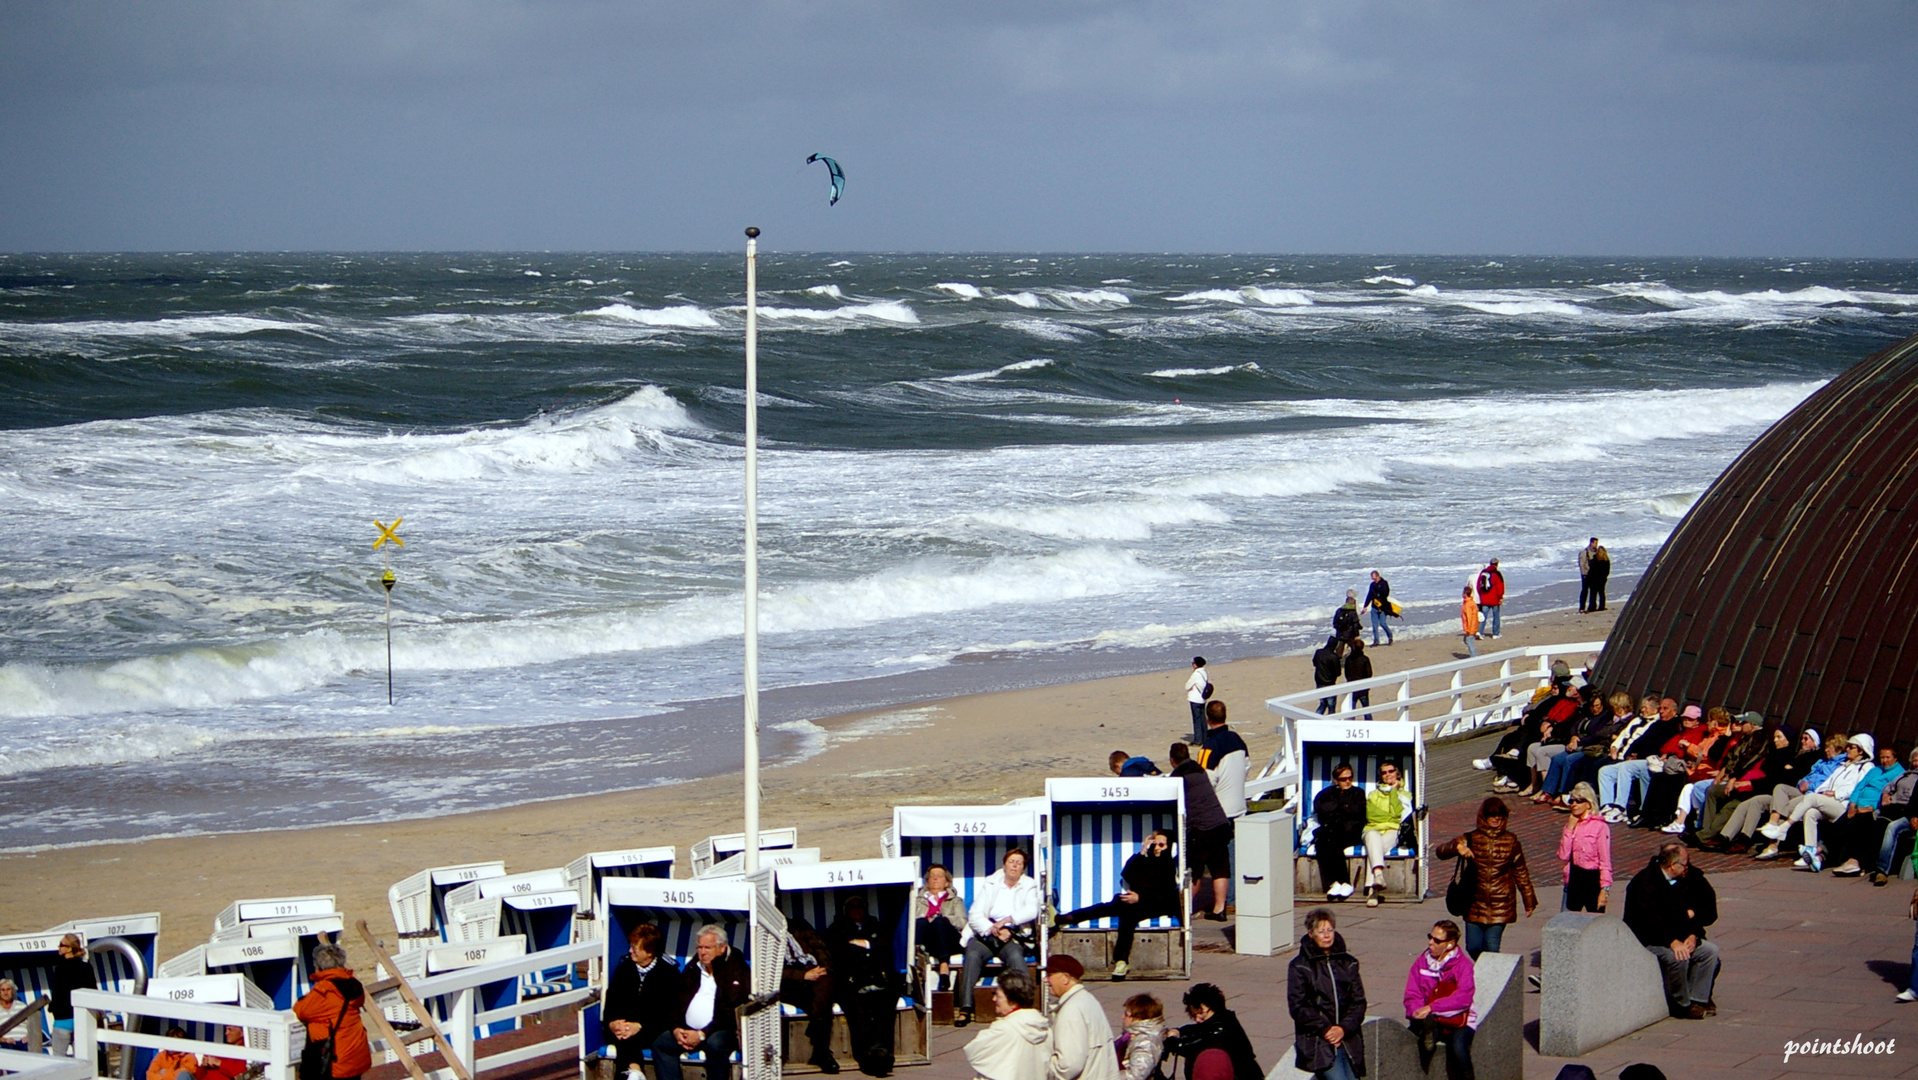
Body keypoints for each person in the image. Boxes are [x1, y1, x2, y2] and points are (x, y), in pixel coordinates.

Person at [1052, 832, 1180, 980]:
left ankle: (1121, 959)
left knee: (1128, 915)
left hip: (1154, 903)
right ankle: (1068, 917)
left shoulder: (1168, 865)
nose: (1157, 848)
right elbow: (1127, 874)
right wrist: (1143, 851)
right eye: (1154, 844)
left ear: (1169, 846)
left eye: (1161, 844)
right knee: (1104, 907)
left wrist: (1140, 898)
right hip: (1133, 901)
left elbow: (1166, 894)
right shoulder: (1146, 860)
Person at [1622, 843, 1719, 1019]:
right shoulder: (1644, 883)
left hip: (1678, 937)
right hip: (1650, 940)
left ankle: (1698, 999)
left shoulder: (1685, 881)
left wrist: (1693, 935)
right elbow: (1650, 921)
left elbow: (1690, 915)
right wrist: (1672, 942)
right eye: (1684, 864)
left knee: (1710, 952)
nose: (1687, 869)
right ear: (1673, 865)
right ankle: (1682, 1004)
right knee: (1677, 959)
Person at [1760, 732, 1875, 872]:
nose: (1848, 750)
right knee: (1811, 812)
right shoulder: (1843, 765)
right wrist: (1823, 791)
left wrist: (1836, 793)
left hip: (1842, 806)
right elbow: (1826, 783)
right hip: (1827, 801)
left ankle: (1783, 828)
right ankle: (1811, 851)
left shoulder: (1866, 767)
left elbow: (1858, 788)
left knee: (1812, 797)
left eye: (1851, 747)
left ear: (1861, 750)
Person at [1438, 798, 1537, 958]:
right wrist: (1457, 847)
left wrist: (1529, 900)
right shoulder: (1471, 838)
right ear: (1484, 816)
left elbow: (1521, 872)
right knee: (1473, 946)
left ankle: (1491, 978)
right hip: (1473, 902)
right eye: (1492, 814)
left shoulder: (1511, 840)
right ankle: (1486, 972)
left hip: (1501, 904)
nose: (1496, 818)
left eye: (1500, 814)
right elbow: (1440, 851)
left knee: (1492, 946)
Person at [955, 850, 1040, 1027]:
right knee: (972, 955)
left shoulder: (1028, 884)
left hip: (1011, 932)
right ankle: (966, 1007)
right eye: (1011, 861)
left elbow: (1032, 910)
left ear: (1023, 867)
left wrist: (1007, 922)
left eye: (1019, 862)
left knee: (1016, 955)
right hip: (986, 933)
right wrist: (993, 928)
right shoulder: (991, 882)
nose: (1014, 865)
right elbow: (975, 914)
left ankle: (1025, 1004)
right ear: (1004, 864)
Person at [656, 925, 752, 1080]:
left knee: (715, 1045)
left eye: (708, 947)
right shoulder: (694, 967)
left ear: (722, 948)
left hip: (722, 1029)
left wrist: (702, 1034)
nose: (702, 952)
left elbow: (730, 1012)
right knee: (662, 1043)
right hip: (689, 1029)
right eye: (699, 947)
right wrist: (676, 1029)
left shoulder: (735, 969)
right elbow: (675, 1000)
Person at [1286, 909, 1366, 1080]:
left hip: (1347, 1038)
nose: (1327, 935)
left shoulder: (1348, 962)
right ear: (1311, 934)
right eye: (1321, 931)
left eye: (1330, 930)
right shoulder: (1300, 966)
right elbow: (1298, 1006)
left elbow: (1358, 1002)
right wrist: (1326, 1029)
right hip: (1318, 1039)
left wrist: (1343, 1028)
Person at [828, 895, 897, 1077]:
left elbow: (886, 945)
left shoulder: (878, 926)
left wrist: (863, 943)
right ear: (846, 910)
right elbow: (838, 951)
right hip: (850, 981)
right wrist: (870, 947)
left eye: (859, 906)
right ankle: (867, 1058)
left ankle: (884, 1054)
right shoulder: (837, 929)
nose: (856, 910)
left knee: (885, 1012)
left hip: (880, 979)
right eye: (852, 907)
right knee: (859, 1015)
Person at [605, 923, 684, 1080]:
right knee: (624, 1034)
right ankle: (634, 1071)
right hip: (623, 1028)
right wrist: (613, 1023)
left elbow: (667, 1012)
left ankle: (634, 1071)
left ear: (650, 952)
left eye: (635, 949)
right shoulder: (624, 969)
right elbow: (611, 1002)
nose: (630, 952)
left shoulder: (668, 973)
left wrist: (640, 1026)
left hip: (652, 1028)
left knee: (630, 1036)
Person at [1402, 920, 1476, 1080]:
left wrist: (1432, 1007)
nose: (1430, 942)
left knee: (1458, 1048)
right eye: (1430, 937)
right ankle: (1429, 1034)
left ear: (1450, 944)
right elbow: (1412, 992)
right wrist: (1416, 1010)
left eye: (1437, 940)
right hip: (1431, 1018)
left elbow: (1463, 998)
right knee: (1409, 1040)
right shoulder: (1422, 962)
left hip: (1458, 1021)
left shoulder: (1463, 966)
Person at [1826, 740, 1907, 877]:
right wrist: (1852, 804)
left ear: (1895, 757)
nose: (1884, 760)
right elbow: (1860, 786)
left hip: (1873, 809)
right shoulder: (1875, 770)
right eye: (1882, 757)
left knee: (1859, 824)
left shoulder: (1899, 773)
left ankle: (1853, 862)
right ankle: (1821, 852)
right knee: (1839, 824)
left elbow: (1889, 796)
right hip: (1857, 805)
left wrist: (1871, 807)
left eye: (1888, 757)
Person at [1169, 743, 1232, 921]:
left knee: (1194, 872)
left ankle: (1184, 911)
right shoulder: (1199, 770)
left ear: (1172, 760)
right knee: (1219, 869)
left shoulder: (1178, 778)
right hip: (1220, 823)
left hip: (1201, 829)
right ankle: (1219, 909)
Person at [293, 942, 369, 1080]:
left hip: (334, 1059)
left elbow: (301, 1010)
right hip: (355, 1054)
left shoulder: (325, 989)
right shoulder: (354, 984)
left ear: (318, 966)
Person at [1041, 956, 1117, 1080]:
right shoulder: (1088, 1000)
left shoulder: (1071, 1010)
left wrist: (1042, 1069)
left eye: (1049, 975)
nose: (1045, 980)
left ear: (1065, 978)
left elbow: (1068, 1066)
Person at [962, 972, 1049, 1080]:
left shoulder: (1004, 1028)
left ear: (1012, 1001)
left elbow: (975, 1052)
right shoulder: (1043, 1027)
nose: (994, 999)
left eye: (998, 995)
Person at [780, 917, 839, 1074]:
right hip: (791, 983)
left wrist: (824, 967)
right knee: (822, 1002)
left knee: (824, 987)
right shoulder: (764, 934)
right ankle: (822, 1053)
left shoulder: (800, 925)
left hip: (815, 975)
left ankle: (819, 1039)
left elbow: (820, 948)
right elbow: (769, 971)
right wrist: (802, 975)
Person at [1170, 983, 1260, 1080]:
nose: (1197, 1019)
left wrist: (1173, 1043)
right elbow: (1197, 1030)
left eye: (1201, 1013)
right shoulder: (1222, 1019)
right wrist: (1179, 1031)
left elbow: (1199, 1043)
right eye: (1194, 1015)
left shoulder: (1224, 1029)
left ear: (1213, 1007)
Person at [1310, 763, 1366, 902]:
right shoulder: (1325, 794)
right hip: (1331, 830)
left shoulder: (1358, 793)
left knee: (1330, 840)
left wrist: (1337, 809)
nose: (1347, 781)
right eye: (1343, 779)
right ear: (1336, 780)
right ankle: (1336, 883)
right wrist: (1342, 808)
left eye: (1350, 778)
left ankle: (1343, 882)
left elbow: (1356, 812)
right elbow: (1321, 810)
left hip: (1352, 831)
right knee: (1323, 841)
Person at [914, 865, 969, 993]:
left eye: (939, 876)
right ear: (927, 882)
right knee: (921, 922)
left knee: (939, 922)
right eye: (932, 877)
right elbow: (912, 922)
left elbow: (962, 922)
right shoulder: (917, 900)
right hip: (927, 940)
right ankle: (920, 967)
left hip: (949, 940)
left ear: (947, 882)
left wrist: (944, 918)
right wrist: (928, 919)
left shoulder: (955, 901)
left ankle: (944, 969)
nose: (935, 879)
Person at [1558, 783, 1612, 912]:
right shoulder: (1572, 825)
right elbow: (1563, 855)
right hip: (1574, 877)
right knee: (1566, 924)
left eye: (1579, 800)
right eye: (1572, 801)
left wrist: (1605, 889)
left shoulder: (1600, 827)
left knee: (1594, 924)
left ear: (1589, 804)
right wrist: (1569, 829)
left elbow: (1605, 861)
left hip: (1592, 879)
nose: (1574, 804)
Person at [1360, 761, 1408, 908]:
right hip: (1372, 829)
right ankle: (1378, 877)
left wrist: (1394, 792)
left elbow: (1399, 814)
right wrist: (1389, 817)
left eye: (1390, 771)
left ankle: (1373, 891)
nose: (1387, 774)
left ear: (1397, 773)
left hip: (1393, 830)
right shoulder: (1373, 794)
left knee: (1374, 850)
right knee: (1373, 838)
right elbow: (1371, 815)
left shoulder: (1405, 794)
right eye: (1383, 772)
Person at [1871, 747, 1918, 886]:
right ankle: (1880, 870)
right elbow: (1915, 800)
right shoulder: (1906, 774)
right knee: (1885, 824)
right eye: (1914, 760)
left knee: (1890, 826)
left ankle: (1881, 867)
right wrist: (1914, 815)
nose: (1916, 763)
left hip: (1907, 813)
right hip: (1909, 814)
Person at [1196, 702, 1248, 821]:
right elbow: (1247, 767)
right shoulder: (1237, 739)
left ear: (1208, 719)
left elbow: (1203, 780)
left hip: (1219, 813)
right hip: (1240, 808)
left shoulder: (1209, 746)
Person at [47, 933, 94, 1058]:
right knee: (82, 1057)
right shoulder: (86, 967)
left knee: (58, 1058)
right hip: (81, 1018)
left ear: (69, 948)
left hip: (63, 1018)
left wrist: (53, 1009)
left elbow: (57, 993)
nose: (59, 947)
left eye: (62, 945)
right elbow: (92, 991)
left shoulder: (60, 969)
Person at [1115, 995, 1167, 1080]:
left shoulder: (1146, 1043)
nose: (1122, 1017)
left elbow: (1136, 1076)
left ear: (1138, 1018)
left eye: (1126, 1014)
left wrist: (1106, 1076)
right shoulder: (1132, 1034)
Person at [1342, 641, 1374, 722]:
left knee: (1352, 710)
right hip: (1363, 687)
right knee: (1366, 709)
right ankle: (1369, 725)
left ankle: (1351, 725)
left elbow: (1346, 673)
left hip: (1352, 686)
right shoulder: (1364, 659)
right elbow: (1369, 673)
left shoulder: (1348, 659)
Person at [1312, 637, 1344, 714]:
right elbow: (1338, 673)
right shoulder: (1333, 657)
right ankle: (1330, 722)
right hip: (1330, 682)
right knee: (1331, 706)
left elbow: (1314, 663)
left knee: (1323, 704)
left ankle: (1315, 720)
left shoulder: (1319, 652)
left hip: (1319, 680)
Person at [1475, 559, 1505, 638]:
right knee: (1496, 616)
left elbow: (1478, 585)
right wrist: (1501, 597)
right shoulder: (1497, 574)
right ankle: (1495, 633)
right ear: (1497, 564)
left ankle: (1480, 632)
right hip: (1494, 599)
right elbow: (1500, 587)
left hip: (1484, 598)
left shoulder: (1483, 572)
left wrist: (1481, 595)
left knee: (1483, 616)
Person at [1184, 658, 1210, 745]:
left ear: (1196, 664)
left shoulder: (1196, 674)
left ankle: (1198, 740)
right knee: (1202, 719)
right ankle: (1205, 737)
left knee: (1197, 720)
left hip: (1195, 699)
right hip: (1203, 698)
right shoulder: (1204, 672)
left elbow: (1187, 686)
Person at [1364, 571, 1393, 646]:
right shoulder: (1372, 585)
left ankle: (1390, 637)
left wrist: (1377, 588)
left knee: (1383, 623)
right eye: (1372, 577)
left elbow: (1386, 593)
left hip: (1383, 607)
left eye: (1374, 577)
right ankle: (1376, 641)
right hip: (1374, 607)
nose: (1373, 579)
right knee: (1374, 625)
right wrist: (1365, 606)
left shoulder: (1384, 583)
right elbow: (1369, 595)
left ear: (1377, 576)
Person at [0, 978, 29, 1047]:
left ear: (12, 991)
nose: (6, 993)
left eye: (8, 989)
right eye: (3, 990)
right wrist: (4, 1040)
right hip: (5, 1043)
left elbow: (31, 1026)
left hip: (24, 1041)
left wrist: (29, 1037)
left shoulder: (22, 1006)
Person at [1578, 538, 1600, 613]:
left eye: (1597, 543)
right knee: (1585, 591)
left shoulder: (1596, 552)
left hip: (1594, 574)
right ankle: (1582, 608)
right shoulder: (1584, 552)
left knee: (1593, 591)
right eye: (1595, 543)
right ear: (1591, 543)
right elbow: (1582, 564)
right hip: (1586, 574)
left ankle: (1592, 606)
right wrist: (1584, 573)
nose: (1596, 545)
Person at [1587, 542, 1611, 612]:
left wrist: (1589, 578)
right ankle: (1602, 606)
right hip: (1602, 579)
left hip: (1594, 579)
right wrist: (1605, 577)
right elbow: (1607, 570)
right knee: (1601, 593)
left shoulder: (1595, 559)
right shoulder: (1606, 561)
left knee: (1593, 593)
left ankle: (1592, 607)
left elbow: (1592, 570)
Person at [1459, 587, 1480, 658]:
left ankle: (1474, 656)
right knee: (1466, 640)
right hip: (1472, 626)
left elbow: (1469, 618)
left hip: (1470, 627)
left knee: (1469, 641)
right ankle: (1474, 655)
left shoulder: (1468, 604)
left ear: (1465, 594)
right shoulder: (1468, 602)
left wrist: (1468, 629)